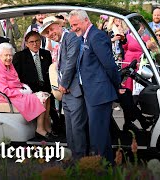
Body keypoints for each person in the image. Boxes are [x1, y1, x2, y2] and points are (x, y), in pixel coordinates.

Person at [68, 9, 122, 163]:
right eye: (71, 26)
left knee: (98, 135)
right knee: (100, 134)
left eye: (76, 24)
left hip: (99, 93)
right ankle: (106, 165)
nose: (73, 28)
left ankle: (102, 167)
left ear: (86, 21)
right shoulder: (85, 37)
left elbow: (109, 65)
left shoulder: (96, 36)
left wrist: (117, 84)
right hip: (92, 92)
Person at [40, 16, 88, 159]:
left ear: (59, 25)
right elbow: (62, 67)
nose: (50, 34)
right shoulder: (62, 42)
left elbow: (71, 64)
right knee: (70, 128)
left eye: (51, 29)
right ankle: (74, 158)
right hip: (67, 92)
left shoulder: (71, 37)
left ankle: (80, 160)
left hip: (74, 90)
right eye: (47, 32)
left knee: (77, 128)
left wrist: (63, 85)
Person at [0, 43, 54, 140]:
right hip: (8, 97)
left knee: (46, 95)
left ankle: (46, 126)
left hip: (16, 93)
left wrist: (24, 88)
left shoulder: (9, 65)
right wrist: (21, 92)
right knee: (42, 97)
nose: (9, 58)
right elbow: (3, 90)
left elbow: (17, 82)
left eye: (10, 55)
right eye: (6, 55)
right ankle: (40, 129)